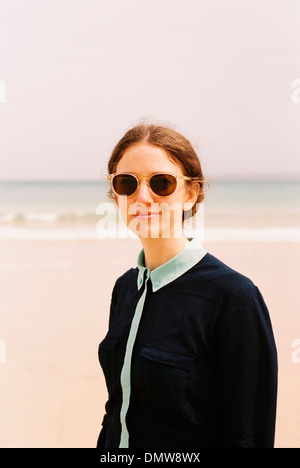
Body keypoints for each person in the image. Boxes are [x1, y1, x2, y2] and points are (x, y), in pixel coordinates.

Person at [97, 123, 278, 448]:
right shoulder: (125, 288)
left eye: (161, 183)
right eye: (127, 183)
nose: (142, 197)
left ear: (191, 192)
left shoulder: (234, 298)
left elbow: (247, 435)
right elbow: (117, 411)